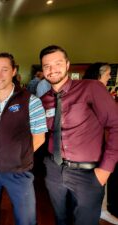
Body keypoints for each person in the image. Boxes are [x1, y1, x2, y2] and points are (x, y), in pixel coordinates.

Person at [39, 45, 118, 225]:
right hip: (54, 170)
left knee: (85, 221)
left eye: (57, 63)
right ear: (43, 70)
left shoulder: (91, 88)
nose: (52, 69)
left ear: (67, 65)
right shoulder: (44, 100)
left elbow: (116, 125)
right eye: (47, 66)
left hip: (87, 173)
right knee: (61, 219)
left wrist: (105, 170)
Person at [0, 52, 47, 225]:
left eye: (4, 69)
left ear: (14, 71)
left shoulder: (31, 101)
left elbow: (39, 138)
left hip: (18, 172)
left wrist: (19, 157)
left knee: (26, 220)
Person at [83, 62, 118, 224]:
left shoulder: (94, 88)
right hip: (94, 143)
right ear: (99, 74)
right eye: (108, 73)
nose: (110, 76)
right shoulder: (95, 89)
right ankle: (100, 210)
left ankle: (101, 209)